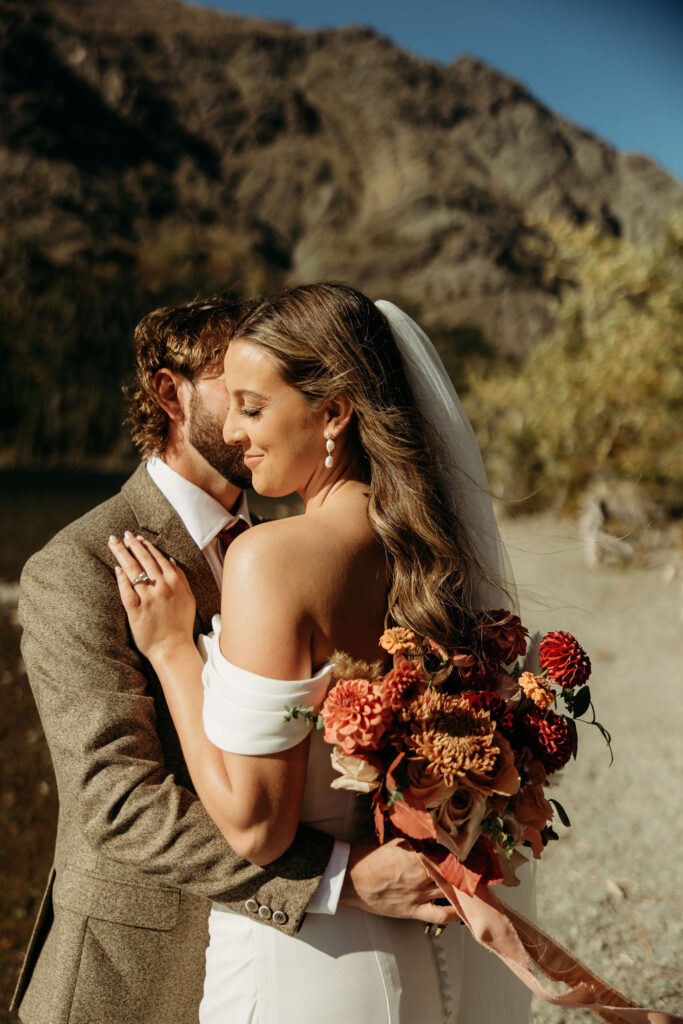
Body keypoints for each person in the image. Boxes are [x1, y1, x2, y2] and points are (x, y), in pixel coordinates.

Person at [13, 295, 458, 1024]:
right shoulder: (76, 568)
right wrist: (340, 882)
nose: (245, 417)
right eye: (235, 386)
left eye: (267, 393)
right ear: (170, 393)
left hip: (299, 967)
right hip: (134, 981)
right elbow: (117, 803)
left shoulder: (292, 546)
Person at [109, 283, 535, 1023]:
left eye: (251, 406)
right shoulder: (427, 558)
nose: (234, 433)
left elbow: (253, 825)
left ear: (334, 410)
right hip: (425, 953)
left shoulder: (271, 559)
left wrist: (173, 650)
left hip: (306, 961)